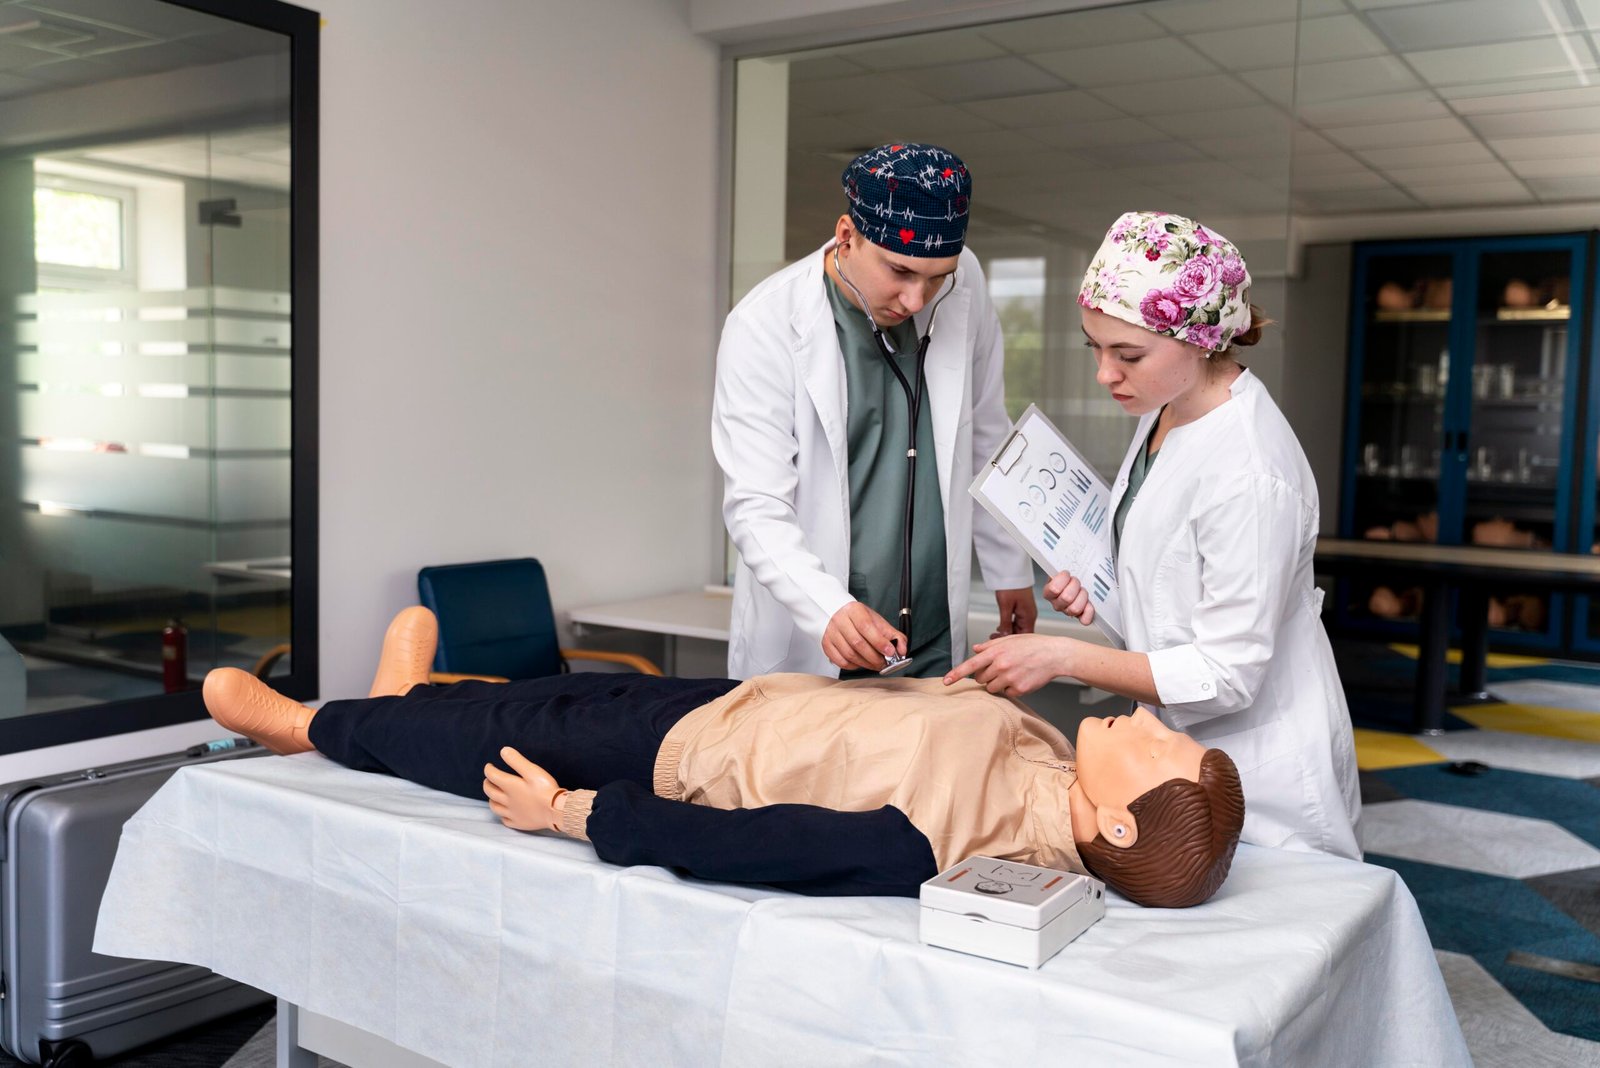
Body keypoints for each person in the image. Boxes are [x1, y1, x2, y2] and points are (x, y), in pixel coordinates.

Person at [202, 606, 1244, 909]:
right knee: (533, 695)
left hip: (676, 765)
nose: (1157, 723)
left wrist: (567, 815)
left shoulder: (944, 848)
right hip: (733, 703)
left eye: (1158, 750)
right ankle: (405, 698)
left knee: (487, 742)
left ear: (1115, 825)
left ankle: (304, 724)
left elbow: (750, 848)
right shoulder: (1052, 753)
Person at [945, 210, 1361, 861]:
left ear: (1200, 340)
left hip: (1260, 767)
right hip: (1176, 746)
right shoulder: (1170, 409)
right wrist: (1104, 587)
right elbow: (1169, 561)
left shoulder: (1250, 472)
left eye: (1128, 354)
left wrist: (1062, 656)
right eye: (1096, 348)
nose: (1105, 373)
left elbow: (1227, 673)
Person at [713, 142, 1035, 681]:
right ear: (846, 235)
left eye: (936, 277)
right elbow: (756, 504)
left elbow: (986, 432)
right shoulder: (763, 326)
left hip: (931, 635)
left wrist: (1009, 568)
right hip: (828, 635)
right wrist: (826, 607)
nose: (916, 299)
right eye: (900, 272)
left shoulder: (963, 281)